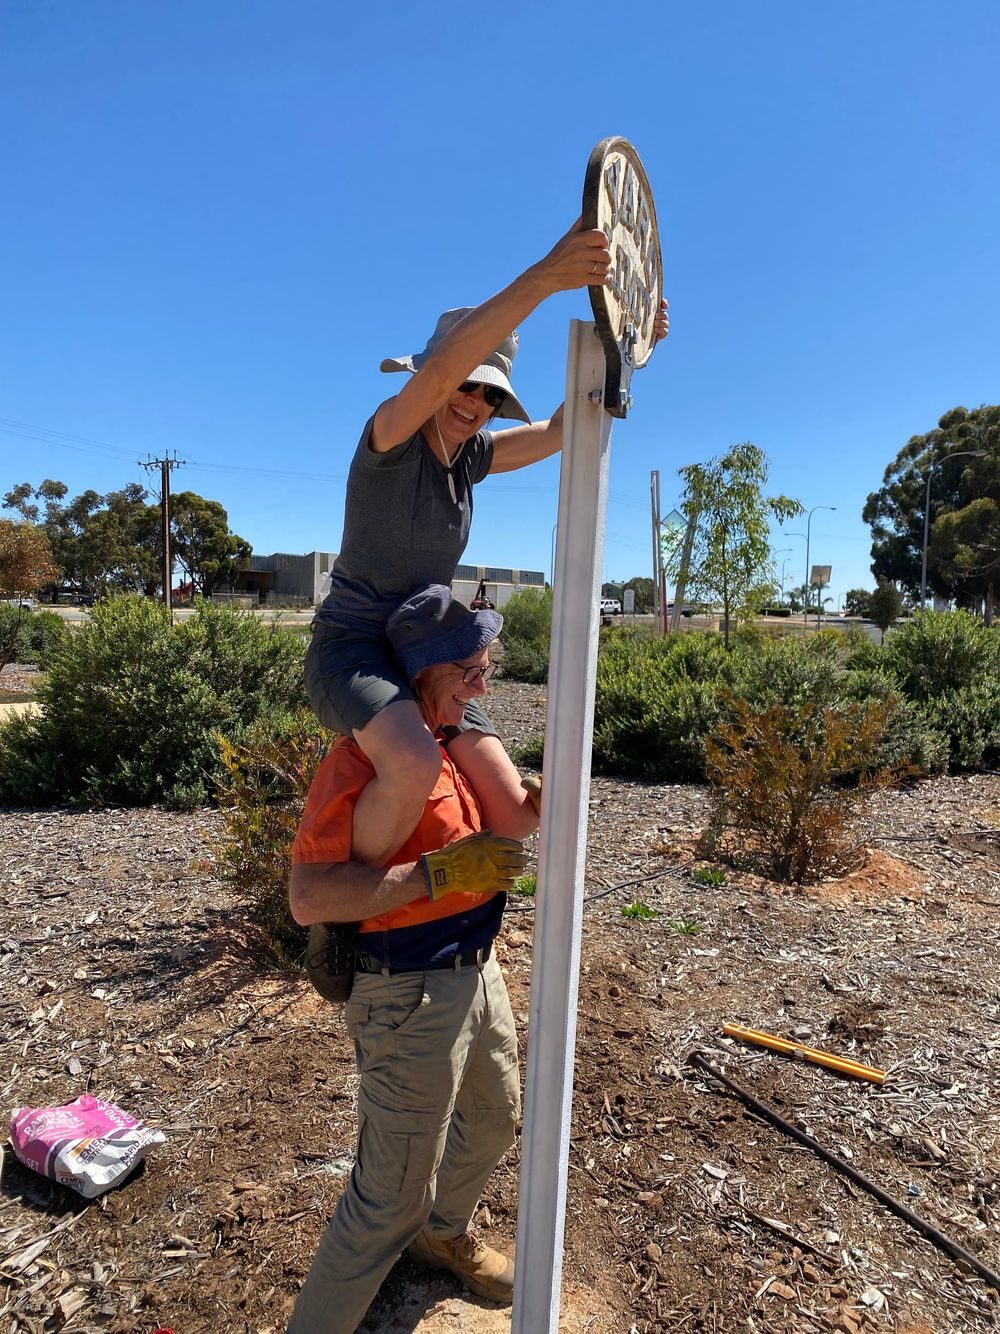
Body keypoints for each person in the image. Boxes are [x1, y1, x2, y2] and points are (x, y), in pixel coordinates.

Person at [306, 221, 668, 871]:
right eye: (465, 384)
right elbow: (444, 370)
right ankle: (343, 907)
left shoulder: (470, 458)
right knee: (414, 762)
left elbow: (563, 429)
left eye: (490, 391)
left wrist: (626, 345)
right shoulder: (390, 437)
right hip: (354, 649)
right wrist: (545, 278)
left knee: (517, 815)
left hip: (430, 656)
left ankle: (429, 898)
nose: (474, 400)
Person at [287, 585, 542, 1334]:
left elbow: (509, 822)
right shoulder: (361, 763)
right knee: (386, 1197)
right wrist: (435, 875)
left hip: (476, 969)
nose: (484, 686)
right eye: (469, 670)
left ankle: (440, 1235)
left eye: (486, 668)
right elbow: (309, 897)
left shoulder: (452, 744)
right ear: (422, 673)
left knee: (496, 1117)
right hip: (406, 991)